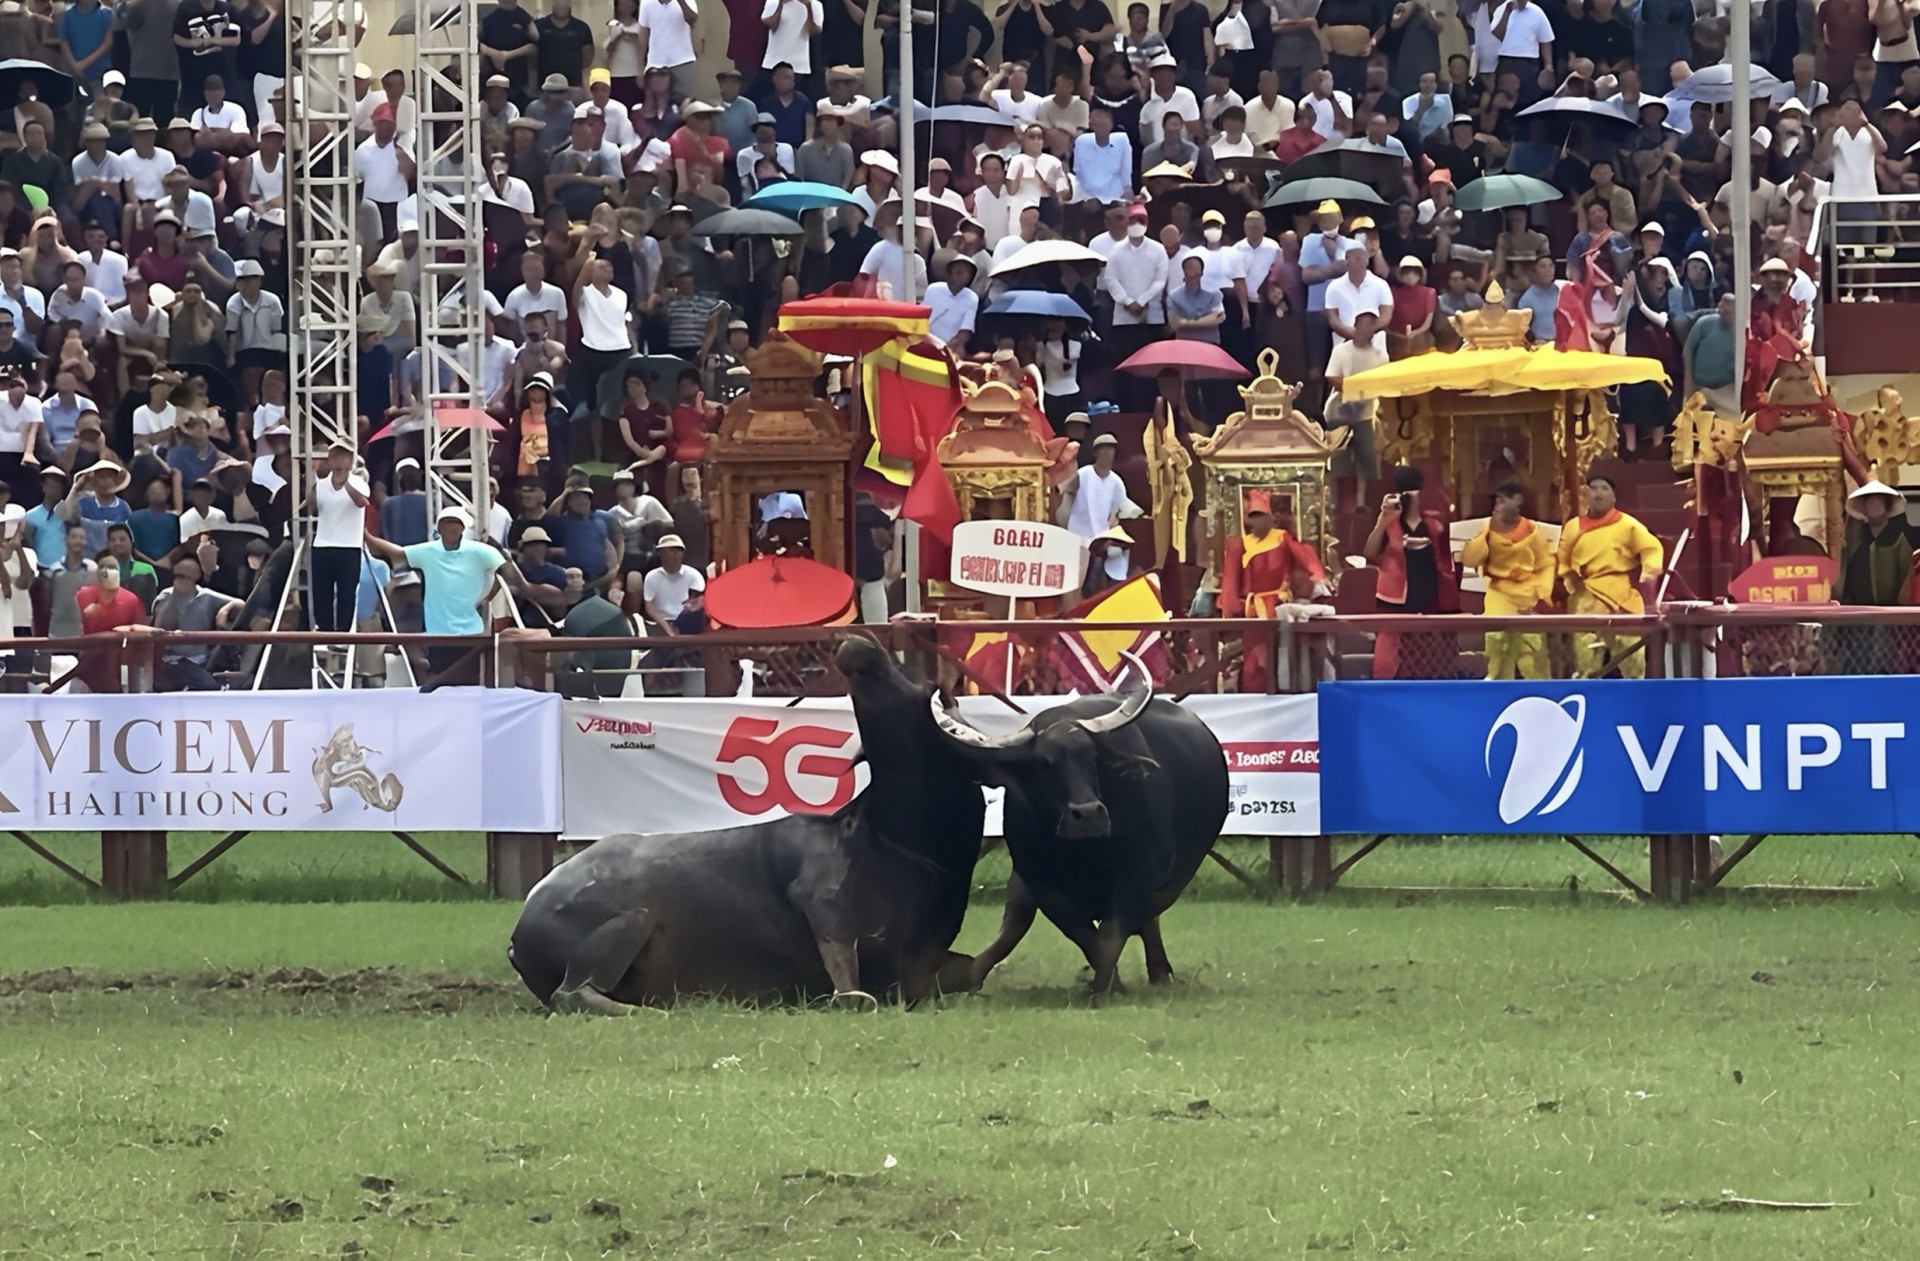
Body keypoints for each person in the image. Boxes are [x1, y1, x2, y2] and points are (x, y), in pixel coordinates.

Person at [364, 507, 506, 688]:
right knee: (439, 678)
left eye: (454, 523)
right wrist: (366, 535)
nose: (450, 528)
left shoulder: (480, 551)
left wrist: (486, 598)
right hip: (439, 631)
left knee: (470, 681)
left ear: (463, 528)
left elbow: (505, 572)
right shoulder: (429, 551)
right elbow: (397, 553)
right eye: (445, 524)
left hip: (472, 631)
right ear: (439, 528)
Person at [1556, 472, 1664, 678]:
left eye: (1604, 489)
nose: (1598, 493)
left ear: (1614, 497)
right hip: (1584, 595)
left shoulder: (1627, 524)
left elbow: (1651, 548)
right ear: (1586, 495)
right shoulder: (1573, 526)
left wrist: (1649, 571)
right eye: (1594, 489)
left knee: (1632, 659)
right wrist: (1568, 575)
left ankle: (1635, 689)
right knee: (1585, 661)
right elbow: (1562, 556)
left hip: (1620, 594)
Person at [1363, 464, 1457, 679]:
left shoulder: (1433, 523)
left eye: (1413, 491)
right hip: (1395, 598)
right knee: (1388, 656)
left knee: (1429, 657)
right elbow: (1369, 553)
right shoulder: (1389, 521)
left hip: (1429, 594)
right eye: (1405, 491)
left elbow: (1445, 558)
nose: (1410, 497)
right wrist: (1383, 520)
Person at [1218, 506, 1328, 690]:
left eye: (1262, 515)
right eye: (1253, 516)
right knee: (1255, 660)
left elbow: (1304, 556)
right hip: (1254, 609)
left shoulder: (1282, 538)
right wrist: (1230, 610)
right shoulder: (1240, 544)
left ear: (1272, 518)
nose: (1257, 521)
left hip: (1279, 605)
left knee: (1283, 656)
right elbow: (1231, 578)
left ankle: (1285, 692)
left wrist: (1317, 574)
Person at [1460, 482, 1554, 679]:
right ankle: (1499, 689)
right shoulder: (1488, 529)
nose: (1497, 506)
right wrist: (1486, 534)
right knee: (1498, 649)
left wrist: (1538, 593)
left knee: (1531, 656)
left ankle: (1540, 692)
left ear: (1518, 501)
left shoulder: (1532, 531)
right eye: (1496, 502)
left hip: (1526, 596)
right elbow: (1470, 560)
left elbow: (1545, 564)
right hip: (1498, 594)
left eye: (1502, 501)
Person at [1836, 479, 1916, 672]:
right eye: (1869, 501)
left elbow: (1907, 580)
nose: (1873, 506)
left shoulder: (1899, 542)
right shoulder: (1855, 540)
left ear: (1887, 505)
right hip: (1856, 620)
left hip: (1890, 622)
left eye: (1878, 501)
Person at [147, 552, 245, 689]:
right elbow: (161, 625)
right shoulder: (166, 596)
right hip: (169, 661)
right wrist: (176, 596)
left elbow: (242, 605)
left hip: (200, 662)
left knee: (210, 687)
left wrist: (225, 610)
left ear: (196, 577)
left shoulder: (207, 596)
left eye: (186, 576)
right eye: (179, 576)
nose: (182, 580)